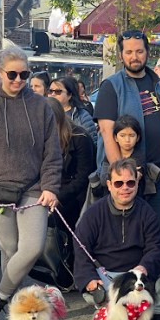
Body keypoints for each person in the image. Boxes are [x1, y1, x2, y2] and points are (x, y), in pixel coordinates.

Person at [0, 47, 62, 320]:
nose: (19, 80)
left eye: (24, 74)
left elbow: (52, 151)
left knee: (31, 248)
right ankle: (17, 315)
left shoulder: (41, 106)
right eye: (13, 74)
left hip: (33, 187)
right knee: (10, 249)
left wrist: (51, 186)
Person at [73, 158, 160, 320]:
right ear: (109, 185)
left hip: (136, 276)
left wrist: (144, 266)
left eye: (130, 182)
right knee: (101, 296)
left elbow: (157, 245)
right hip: (106, 276)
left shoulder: (147, 212)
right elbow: (81, 248)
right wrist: (89, 280)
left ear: (137, 184)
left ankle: (157, 313)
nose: (125, 187)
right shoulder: (93, 213)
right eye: (119, 183)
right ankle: (112, 309)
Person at [94, 30, 160, 231]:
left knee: (157, 235)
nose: (134, 57)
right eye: (129, 52)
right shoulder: (112, 86)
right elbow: (107, 133)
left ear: (147, 52)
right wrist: (122, 175)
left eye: (139, 51)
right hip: (128, 180)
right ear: (121, 54)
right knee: (127, 234)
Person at [45, 97, 95, 229]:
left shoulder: (80, 138)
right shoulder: (40, 138)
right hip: (51, 190)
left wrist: (59, 197)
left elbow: (83, 177)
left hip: (75, 196)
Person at [48, 76, 97, 144]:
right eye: (50, 91)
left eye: (58, 91)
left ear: (69, 95)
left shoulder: (82, 116)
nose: (52, 94)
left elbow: (92, 143)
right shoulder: (44, 113)